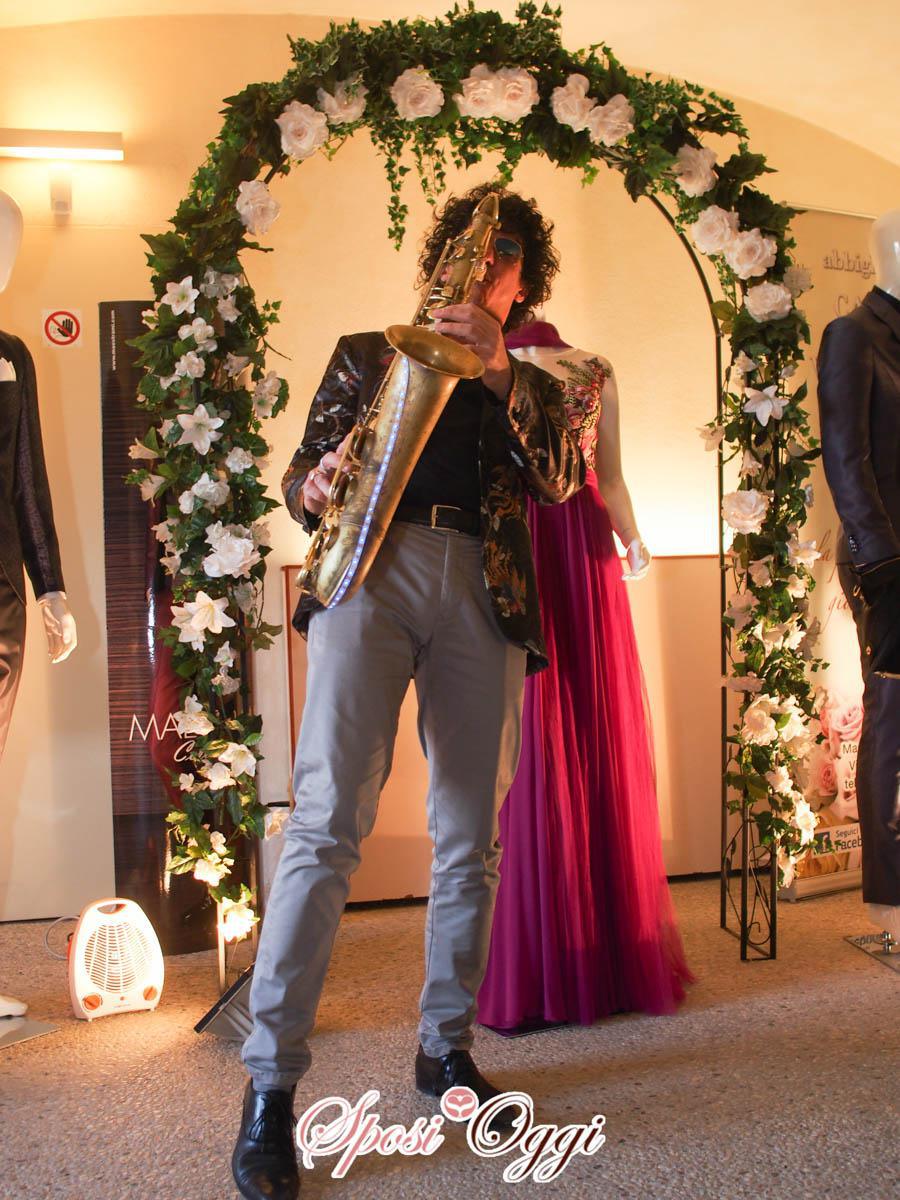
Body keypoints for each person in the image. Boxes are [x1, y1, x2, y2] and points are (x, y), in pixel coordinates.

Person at [232, 187, 585, 1200]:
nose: (483, 262)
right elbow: (301, 479)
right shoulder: (364, 354)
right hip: (368, 577)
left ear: (522, 283)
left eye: (504, 251)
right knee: (324, 826)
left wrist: (500, 370)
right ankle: (271, 1086)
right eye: (469, 245)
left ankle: (444, 1049)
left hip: (483, 586)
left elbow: (562, 479)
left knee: (471, 834)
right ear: (440, 259)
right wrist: (312, 485)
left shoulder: (544, 379)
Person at [477, 320, 694, 1034]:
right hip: (539, 544)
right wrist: (629, 537)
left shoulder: (572, 365)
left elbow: (609, 471)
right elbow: (611, 476)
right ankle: (561, 950)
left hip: (550, 546)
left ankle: (571, 953)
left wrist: (631, 538)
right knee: (546, 732)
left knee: (564, 731)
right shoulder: (556, 366)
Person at [817, 206, 900, 939]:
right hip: (887, 556)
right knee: (894, 718)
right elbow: (846, 457)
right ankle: (891, 898)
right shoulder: (854, 335)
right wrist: (884, 561)